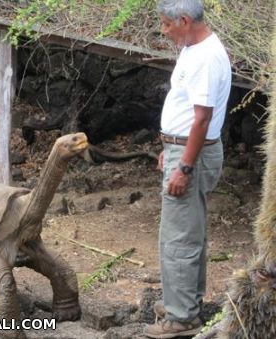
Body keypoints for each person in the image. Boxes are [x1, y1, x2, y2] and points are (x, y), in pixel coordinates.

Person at [143, 1, 231, 338]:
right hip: (183, 147)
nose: (164, 31)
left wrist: (185, 165)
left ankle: (181, 318)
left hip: (193, 153)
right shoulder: (194, 48)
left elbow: (202, 118)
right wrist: (171, 147)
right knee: (185, 231)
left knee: (180, 237)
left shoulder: (205, 57)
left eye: (167, 24)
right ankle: (184, 301)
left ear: (183, 20)